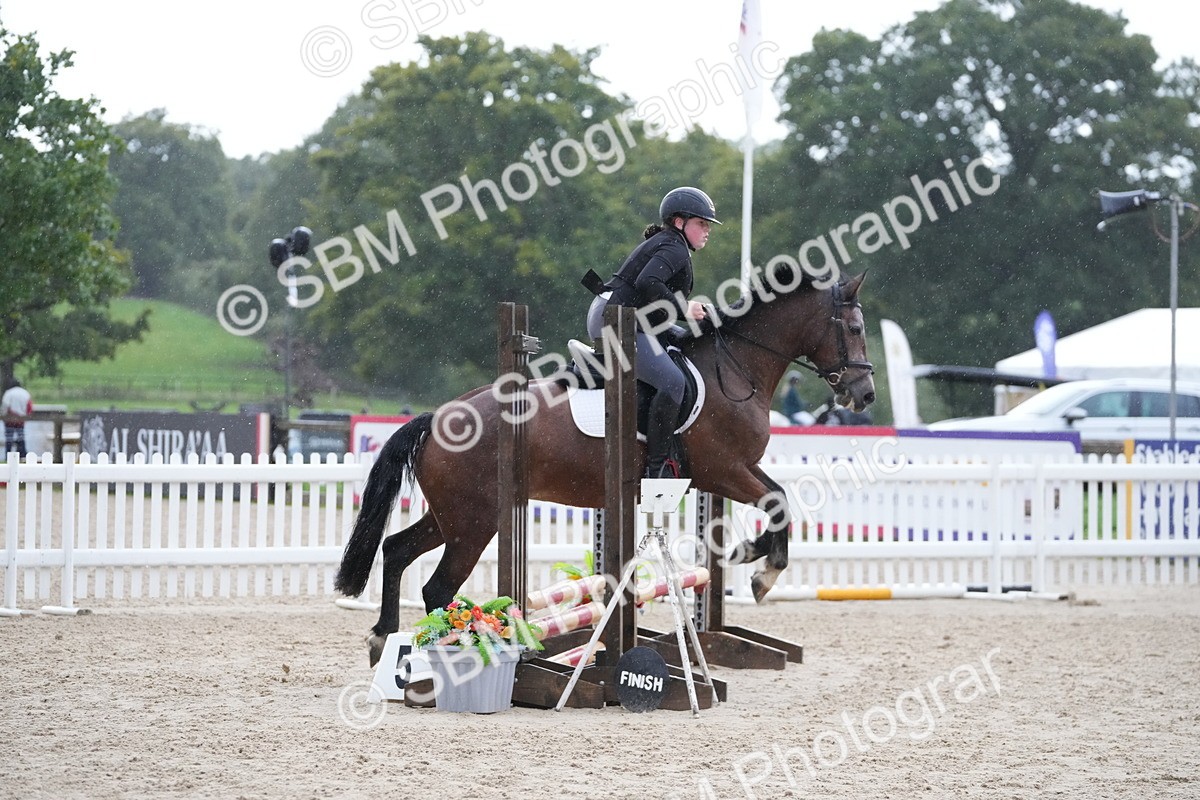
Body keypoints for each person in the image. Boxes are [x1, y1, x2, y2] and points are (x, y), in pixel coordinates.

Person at [585, 186, 719, 478]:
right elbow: (648, 282)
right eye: (701, 223)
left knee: (686, 340)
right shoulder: (675, 247)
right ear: (679, 222)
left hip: (629, 317)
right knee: (672, 382)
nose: (707, 230)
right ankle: (656, 468)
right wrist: (685, 309)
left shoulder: (672, 243)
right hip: (617, 320)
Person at [2, 377, 33, 457]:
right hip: (21, 419)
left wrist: (4, 416)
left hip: (10, 418)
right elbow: (29, 406)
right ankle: (22, 454)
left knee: (9, 438)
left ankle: (8, 455)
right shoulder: (25, 393)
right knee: (21, 436)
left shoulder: (8, 393)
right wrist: (26, 416)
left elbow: (5, 406)